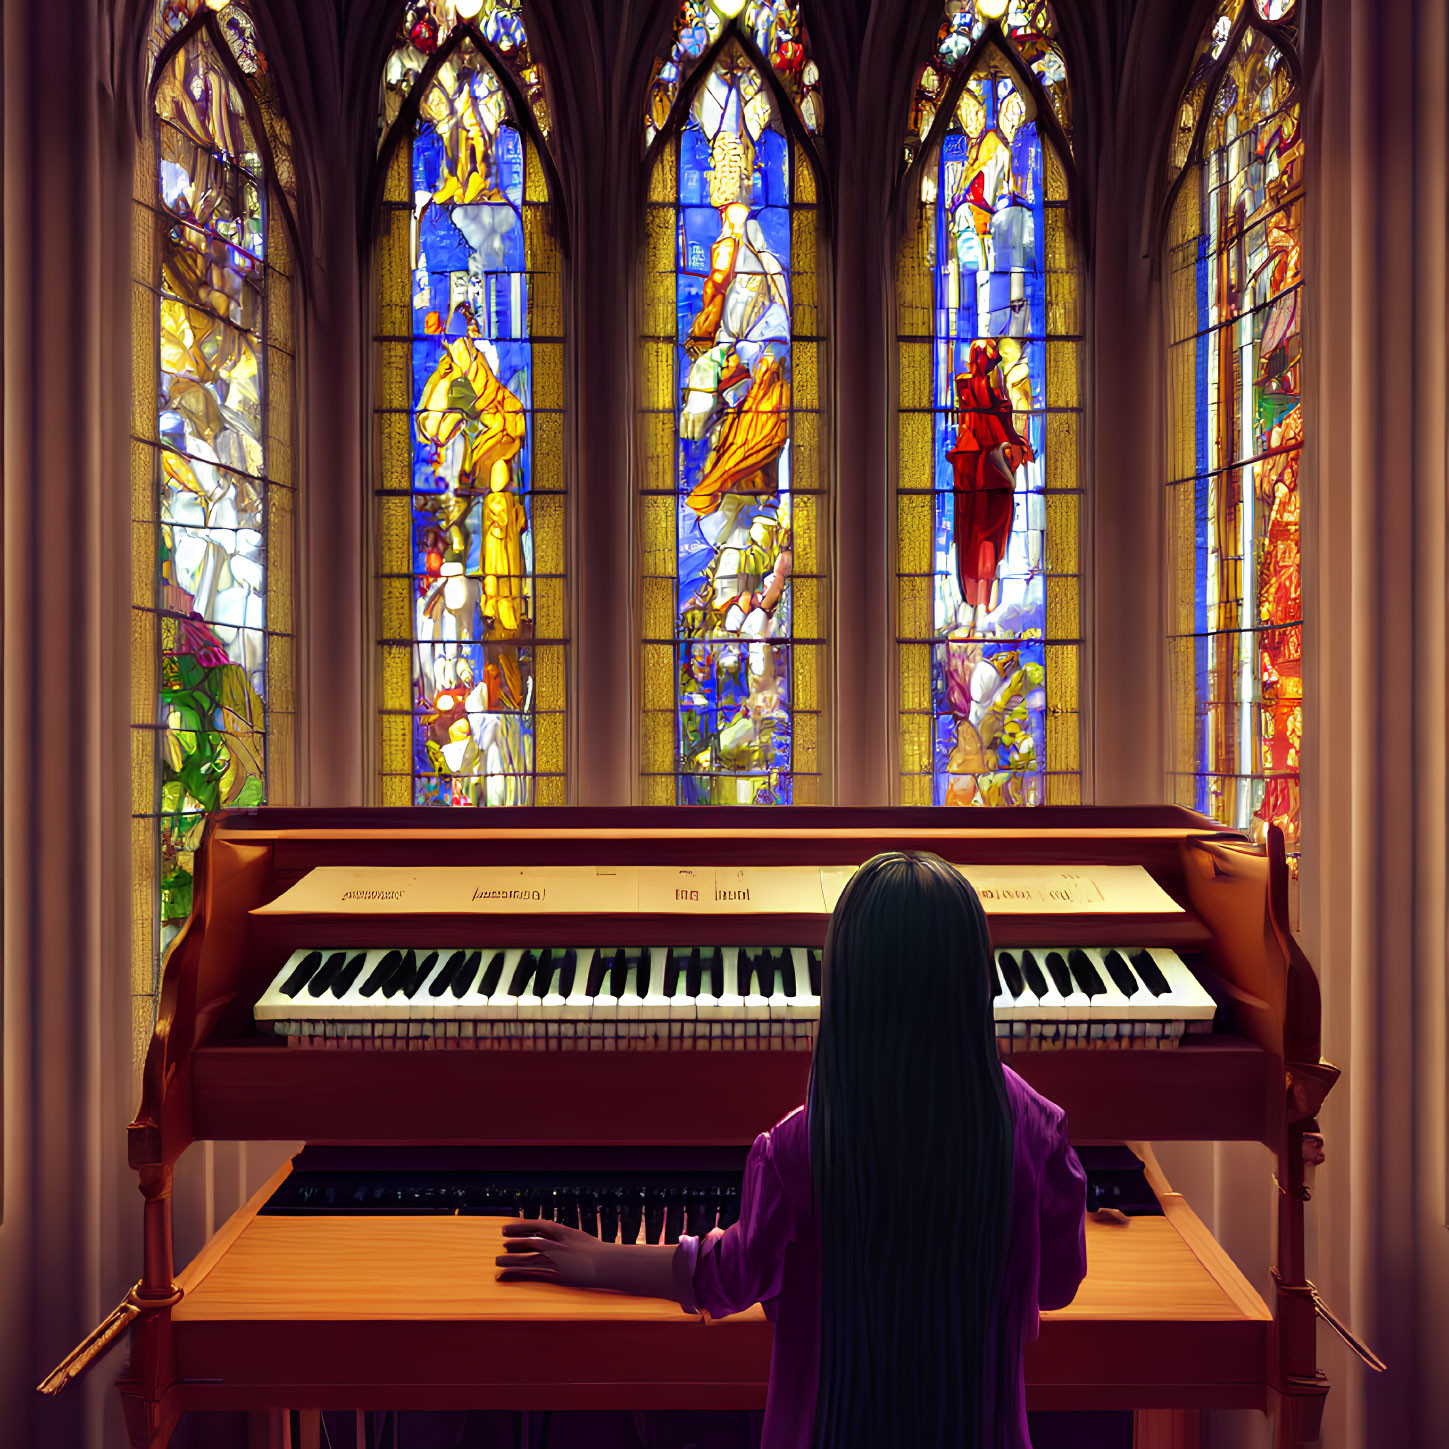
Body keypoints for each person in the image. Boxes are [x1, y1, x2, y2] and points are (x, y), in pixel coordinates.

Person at [496, 851, 1088, 1449]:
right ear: (977, 980)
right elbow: (1057, 1287)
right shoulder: (1038, 1129)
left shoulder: (798, 1148)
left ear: (846, 986)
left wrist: (601, 1260)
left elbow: (732, 1274)